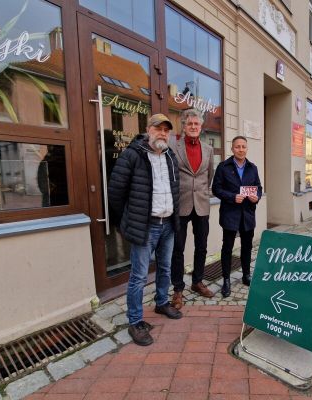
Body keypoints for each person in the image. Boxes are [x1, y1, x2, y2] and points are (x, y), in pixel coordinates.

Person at [108, 113, 183, 346]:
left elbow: (175, 189)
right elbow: (115, 192)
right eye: (158, 128)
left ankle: (161, 303)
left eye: (166, 130)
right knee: (139, 276)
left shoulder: (170, 156)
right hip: (146, 226)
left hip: (168, 224)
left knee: (165, 268)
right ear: (148, 129)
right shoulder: (132, 155)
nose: (162, 133)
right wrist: (128, 220)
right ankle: (135, 321)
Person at [169, 109, 215, 309]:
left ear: (201, 126)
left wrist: (203, 192)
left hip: (202, 205)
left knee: (202, 246)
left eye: (197, 124)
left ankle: (197, 281)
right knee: (177, 248)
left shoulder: (208, 149)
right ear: (184, 126)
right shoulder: (173, 146)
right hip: (181, 204)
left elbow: (209, 175)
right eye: (190, 124)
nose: (194, 127)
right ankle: (178, 289)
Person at [212, 136, 262, 298]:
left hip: (247, 214)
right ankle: (226, 280)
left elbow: (258, 187)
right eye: (237, 147)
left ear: (247, 148)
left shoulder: (252, 168)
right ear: (232, 149)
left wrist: (256, 197)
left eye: (243, 147)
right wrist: (232, 197)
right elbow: (216, 189)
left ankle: (246, 275)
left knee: (247, 247)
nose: (241, 149)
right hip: (230, 214)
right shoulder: (223, 167)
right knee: (227, 248)